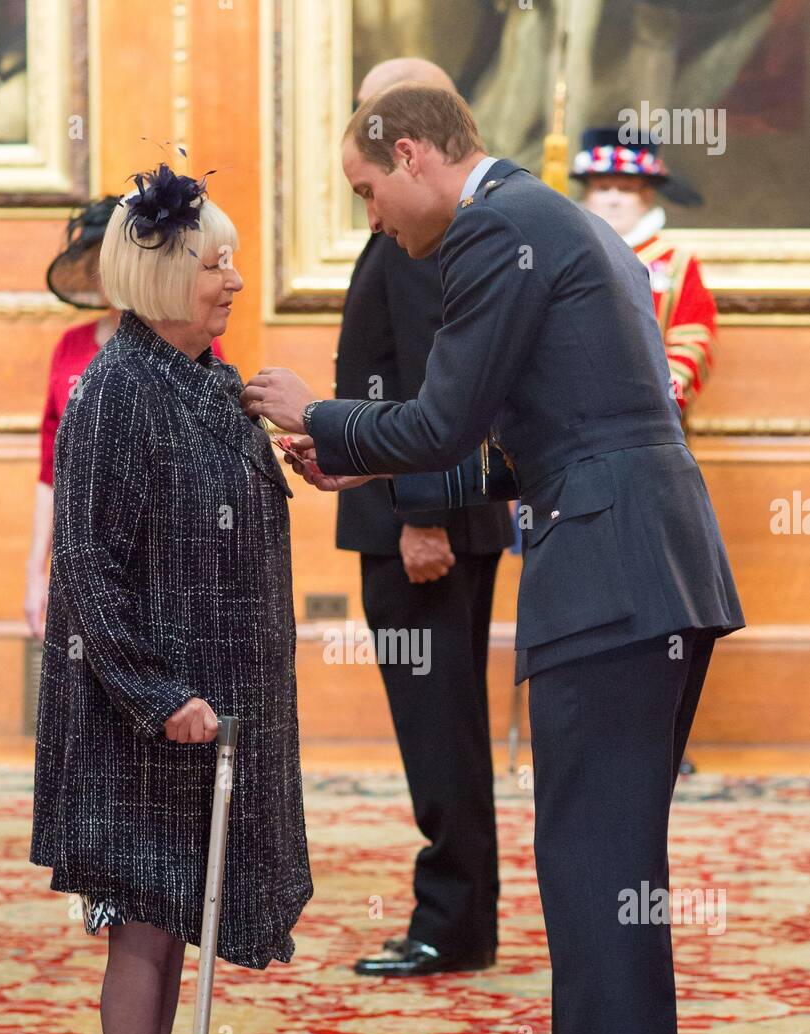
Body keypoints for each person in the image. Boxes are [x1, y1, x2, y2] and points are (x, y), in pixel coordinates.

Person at [242, 84, 745, 1034]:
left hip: (611, 575)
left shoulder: (493, 230)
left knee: (599, 866)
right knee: (590, 860)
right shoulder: (544, 216)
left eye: (368, 192)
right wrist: (369, 467)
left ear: (411, 155)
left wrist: (319, 416)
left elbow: (440, 421)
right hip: (640, 560)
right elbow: (527, 442)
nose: (373, 217)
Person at [29, 162, 313, 1034]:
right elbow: (88, 570)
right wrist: (155, 693)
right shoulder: (114, 392)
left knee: (170, 914)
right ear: (159, 275)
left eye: (232, 259)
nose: (233, 280)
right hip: (142, 719)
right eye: (213, 263)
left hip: (206, 708)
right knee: (143, 920)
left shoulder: (197, 377)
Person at [336, 57, 513, 979]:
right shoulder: (422, 224)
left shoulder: (424, 234)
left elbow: (426, 382)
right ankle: (459, 913)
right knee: (442, 724)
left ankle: (450, 922)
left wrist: (422, 518)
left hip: (423, 528)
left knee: (438, 727)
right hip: (423, 518)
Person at [24, 197, 226, 641]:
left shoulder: (190, 343)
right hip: (83, 554)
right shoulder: (70, 347)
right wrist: (36, 569)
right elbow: (49, 468)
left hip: (169, 557)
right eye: (98, 264)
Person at [572, 127, 717, 416]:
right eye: (602, 188)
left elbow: (693, 341)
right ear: (587, 194)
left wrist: (660, 397)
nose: (613, 199)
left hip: (650, 420)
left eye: (625, 189)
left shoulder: (676, 264)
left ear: (647, 196)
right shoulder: (561, 255)